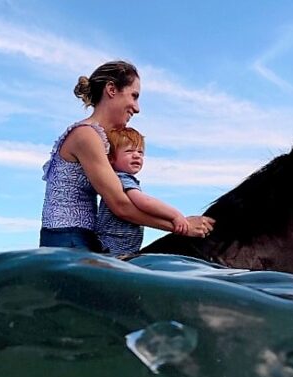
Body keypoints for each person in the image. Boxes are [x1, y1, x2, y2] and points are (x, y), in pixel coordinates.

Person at [39, 60, 213, 251]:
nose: (137, 108)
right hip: (68, 239)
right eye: (134, 96)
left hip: (79, 238)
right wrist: (182, 226)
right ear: (112, 90)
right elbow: (120, 205)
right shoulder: (86, 135)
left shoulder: (97, 137)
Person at [96, 127, 188, 255]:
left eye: (140, 152)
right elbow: (145, 203)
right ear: (111, 159)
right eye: (129, 151)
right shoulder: (122, 178)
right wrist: (175, 215)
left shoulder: (119, 179)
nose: (136, 155)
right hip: (114, 250)